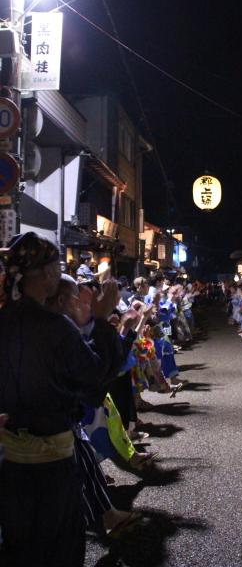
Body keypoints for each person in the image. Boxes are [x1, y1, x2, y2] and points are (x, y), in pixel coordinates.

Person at [0, 232, 123, 567]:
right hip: (52, 462)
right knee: (60, 547)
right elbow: (94, 380)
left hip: (11, 462)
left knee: (19, 548)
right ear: (50, 273)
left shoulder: (5, 318)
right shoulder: (55, 327)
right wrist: (101, 321)